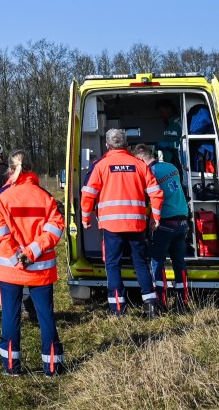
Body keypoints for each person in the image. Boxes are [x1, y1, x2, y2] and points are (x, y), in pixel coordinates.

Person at [0, 151, 65, 376]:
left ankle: (11, 367)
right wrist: (32, 252)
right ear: (31, 169)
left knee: (10, 316)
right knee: (45, 316)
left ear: (10, 171)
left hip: (10, 269)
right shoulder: (46, 197)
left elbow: (0, 234)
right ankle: (52, 367)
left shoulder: (1, 198)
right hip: (40, 268)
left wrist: (17, 257)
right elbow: (54, 228)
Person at [80, 127, 163, 316]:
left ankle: (117, 308)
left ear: (107, 145)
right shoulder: (139, 164)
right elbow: (156, 193)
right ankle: (150, 304)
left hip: (111, 226)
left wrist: (86, 218)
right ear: (126, 144)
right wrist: (155, 218)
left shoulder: (101, 166)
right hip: (136, 224)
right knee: (140, 263)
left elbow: (88, 194)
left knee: (113, 265)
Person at [134, 144, 190, 309]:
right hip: (182, 219)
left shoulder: (150, 173)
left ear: (141, 159)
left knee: (157, 262)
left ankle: (161, 301)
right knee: (179, 261)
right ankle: (183, 301)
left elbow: (149, 196)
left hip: (165, 221)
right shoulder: (170, 167)